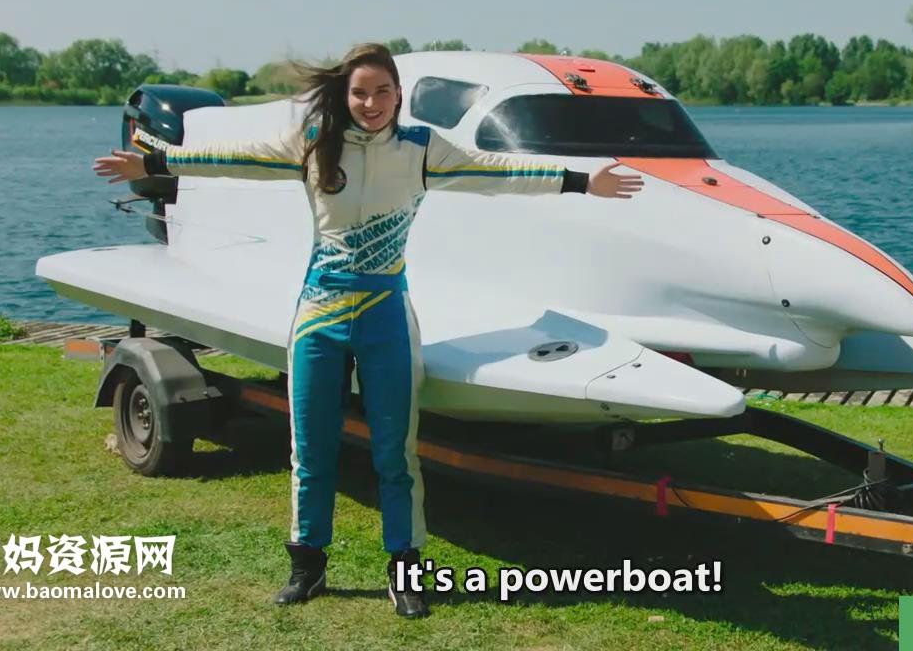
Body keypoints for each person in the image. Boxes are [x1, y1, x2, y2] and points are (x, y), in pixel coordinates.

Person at [93, 43, 643, 618]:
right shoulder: (312, 144)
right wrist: (154, 165)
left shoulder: (422, 149)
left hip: (386, 317)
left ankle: (405, 571)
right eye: (360, 92)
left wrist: (582, 180)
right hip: (319, 315)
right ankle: (307, 565)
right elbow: (234, 158)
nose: (371, 103)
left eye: (383, 91)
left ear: (399, 95)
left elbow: (499, 171)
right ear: (345, 95)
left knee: (395, 453)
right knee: (310, 449)